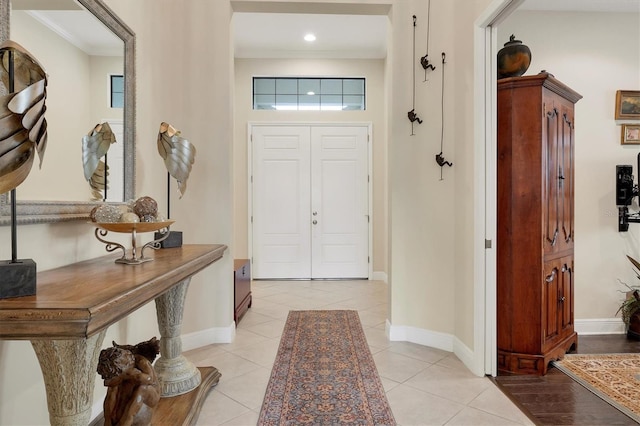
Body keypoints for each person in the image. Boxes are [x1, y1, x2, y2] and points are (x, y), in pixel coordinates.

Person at [97, 338, 161, 426]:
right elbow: (109, 383)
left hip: (151, 392)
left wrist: (135, 376)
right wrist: (120, 378)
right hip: (130, 379)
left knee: (142, 388)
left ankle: (127, 419)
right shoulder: (121, 366)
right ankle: (108, 420)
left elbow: (150, 379)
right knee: (113, 388)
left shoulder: (141, 362)